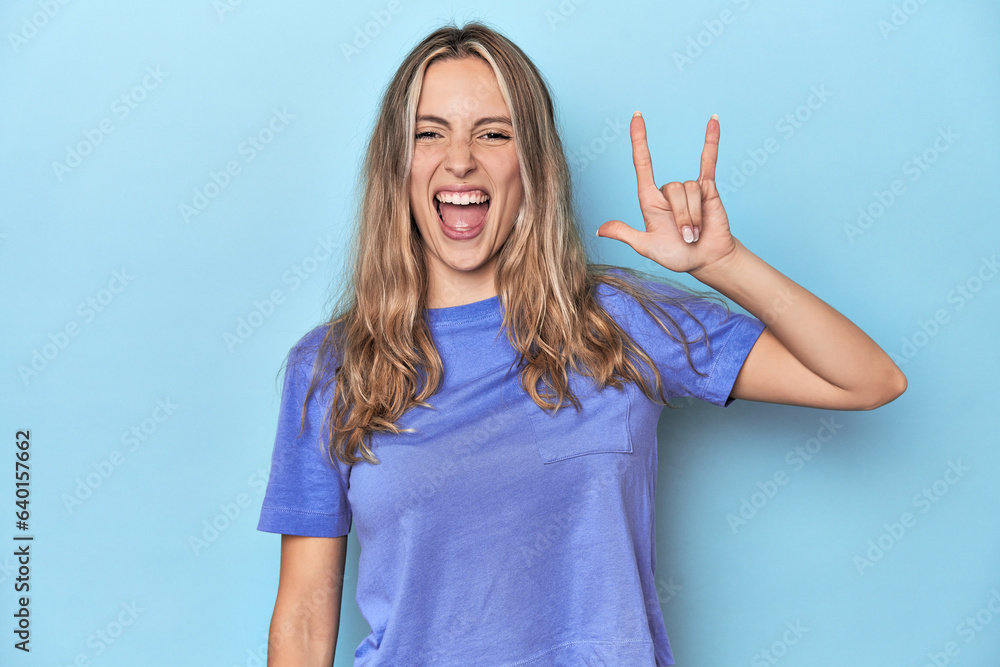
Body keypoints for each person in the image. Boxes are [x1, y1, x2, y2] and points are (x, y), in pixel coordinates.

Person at [256, 21, 906, 667]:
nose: (459, 159)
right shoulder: (332, 367)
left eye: (493, 132)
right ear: (396, 165)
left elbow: (868, 379)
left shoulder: (618, 322)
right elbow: (305, 615)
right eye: (429, 133)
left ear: (533, 165)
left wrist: (724, 263)